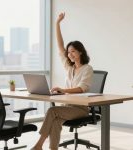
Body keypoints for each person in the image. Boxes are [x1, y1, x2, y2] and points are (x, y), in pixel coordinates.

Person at [31, 12, 93, 150]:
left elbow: (82, 88)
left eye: (73, 52)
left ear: (80, 52)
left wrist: (63, 90)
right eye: (69, 52)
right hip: (68, 106)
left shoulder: (87, 69)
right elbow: (60, 46)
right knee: (56, 121)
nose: (70, 54)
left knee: (53, 111)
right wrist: (57, 23)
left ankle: (39, 145)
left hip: (80, 109)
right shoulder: (69, 67)